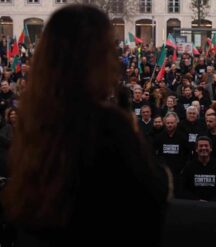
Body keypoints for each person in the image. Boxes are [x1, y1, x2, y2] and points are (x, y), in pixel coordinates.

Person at [1, 5, 170, 246]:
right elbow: (149, 198)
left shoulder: (34, 120)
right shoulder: (104, 123)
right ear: (97, 58)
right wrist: (134, 139)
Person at [181, 136, 216, 202]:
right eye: (201, 146)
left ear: (211, 148)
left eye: (206, 146)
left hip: (215, 206)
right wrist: (197, 200)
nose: (203, 148)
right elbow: (183, 189)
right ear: (196, 149)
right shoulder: (188, 167)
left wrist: (211, 202)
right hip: (194, 206)